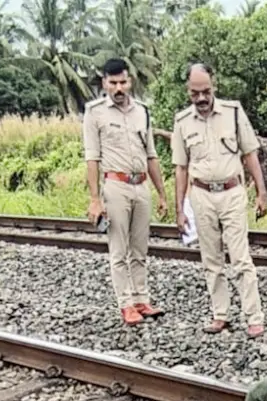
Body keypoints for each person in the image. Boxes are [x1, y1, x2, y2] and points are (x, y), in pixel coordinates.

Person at [172, 63, 267, 338]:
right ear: (188, 91)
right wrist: (179, 210)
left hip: (232, 192)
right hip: (200, 195)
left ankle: (253, 316)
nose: (201, 99)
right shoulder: (182, 122)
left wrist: (262, 193)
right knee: (211, 260)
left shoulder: (234, 112)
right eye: (195, 93)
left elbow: (250, 155)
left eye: (206, 92)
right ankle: (220, 314)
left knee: (240, 259)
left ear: (213, 86)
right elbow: (180, 168)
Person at [83, 58, 168, 327]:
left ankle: (142, 299)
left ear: (129, 81)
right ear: (105, 83)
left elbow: (151, 155)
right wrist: (95, 199)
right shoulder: (94, 112)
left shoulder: (142, 111)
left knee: (140, 249)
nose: (119, 88)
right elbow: (92, 158)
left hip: (140, 185)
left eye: (123, 82)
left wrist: (162, 194)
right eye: (113, 83)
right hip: (115, 185)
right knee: (119, 250)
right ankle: (126, 304)